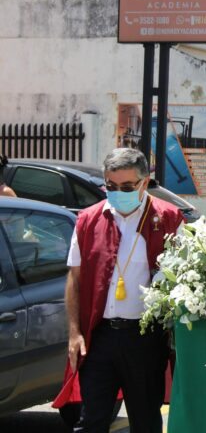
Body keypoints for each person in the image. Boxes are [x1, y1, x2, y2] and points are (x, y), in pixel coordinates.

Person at [52, 148, 184, 432]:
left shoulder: (170, 219)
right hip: (99, 338)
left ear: (144, 183)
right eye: (110, 187)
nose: (117, 192)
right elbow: (74, 278)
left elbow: (184, 280)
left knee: (145, 421)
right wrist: (74, 333)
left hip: (145, 340)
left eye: (126, 187)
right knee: (90, 422)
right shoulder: (88, 220)